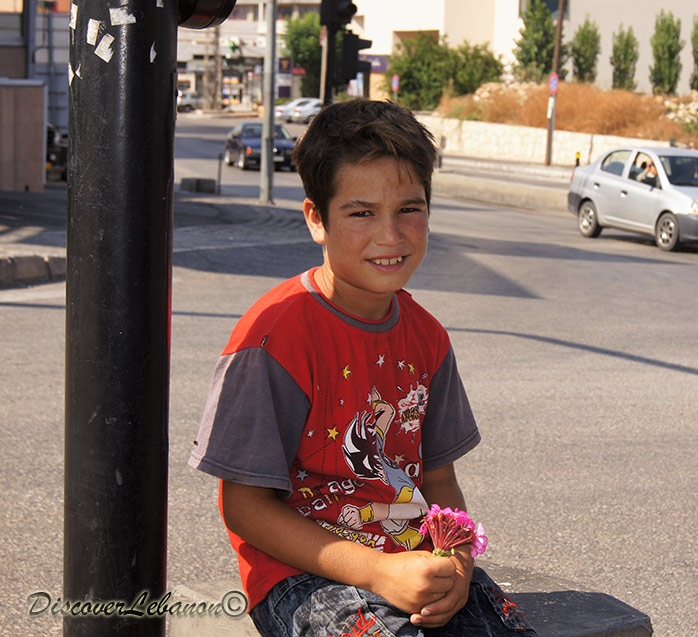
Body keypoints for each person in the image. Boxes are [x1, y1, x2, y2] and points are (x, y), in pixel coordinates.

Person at [188, 99, 536, 637]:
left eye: (409, 209)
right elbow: (243, 508)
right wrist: (377, 571)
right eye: (361, 212)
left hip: (410, 558)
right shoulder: (274, 338)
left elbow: (439, 479)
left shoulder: (428, 339)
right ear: (315, 219)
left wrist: (459, 560)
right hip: (303, 576)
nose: (390, 236)